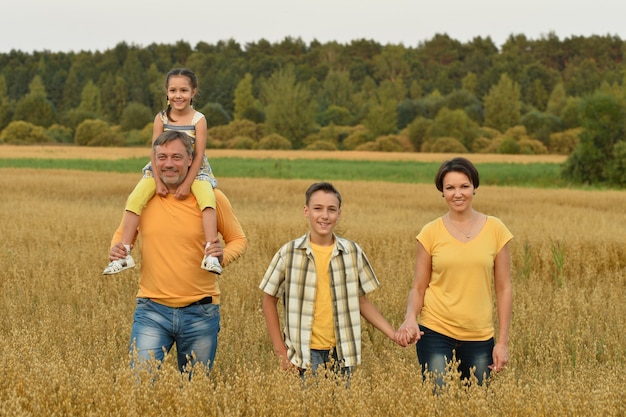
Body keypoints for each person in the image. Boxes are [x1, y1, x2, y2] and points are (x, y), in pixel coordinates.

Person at [107, 130, 247, 373]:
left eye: (176, 157)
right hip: (151, 310)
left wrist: (223, 256)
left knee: (194, 392)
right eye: (162, 157)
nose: (168, 164)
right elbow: (123, 234)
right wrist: (116, 249)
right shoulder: (145, 197)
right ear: (153, 159)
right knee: (139, 387)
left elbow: (238, 239)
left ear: (191, 159)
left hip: (201, 312)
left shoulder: (212, 198)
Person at [260, 182, 397, 380]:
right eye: (318, 209)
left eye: (331, 210)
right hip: (304, 355)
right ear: (306, 211)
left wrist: (393, 334)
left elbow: (362, 301)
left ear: (339, 214)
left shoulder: (352, 252)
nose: (325, 215)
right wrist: (282, 352)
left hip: (342, 352)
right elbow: (268, 301)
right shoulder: (289, 253)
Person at [395, 157, 512, 386]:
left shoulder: (496, 229)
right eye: (450, 188)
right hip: (435, 331)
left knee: (478, 404)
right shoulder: (430, 233)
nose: (457, 194)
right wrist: (410, 318)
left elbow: (504, 288)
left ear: (474, 188)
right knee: (439, 402)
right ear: (442, 192)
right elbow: (419, 287)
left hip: (479, 335)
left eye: (464, 186)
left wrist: (502, 342)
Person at [103, 68, 222, 275]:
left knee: (208, 201)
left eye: (184, 90)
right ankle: (124, 252)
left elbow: (199, 155)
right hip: (159, 170)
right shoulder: (160, 118)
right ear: (166, 93)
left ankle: (210, 254)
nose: (178, 95)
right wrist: (157, 182)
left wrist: (186, 184)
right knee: (134, 199)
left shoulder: (198, 120)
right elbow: (154, 151)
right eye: (173, 90)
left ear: (193, 92)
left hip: (195, 170)